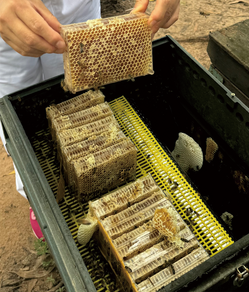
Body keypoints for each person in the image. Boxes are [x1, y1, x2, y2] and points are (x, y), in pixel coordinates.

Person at [0, 0, 180, 238]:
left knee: (83, 93)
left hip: (78, 7)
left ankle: (98, 176)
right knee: (19, 116)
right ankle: (38, 196)